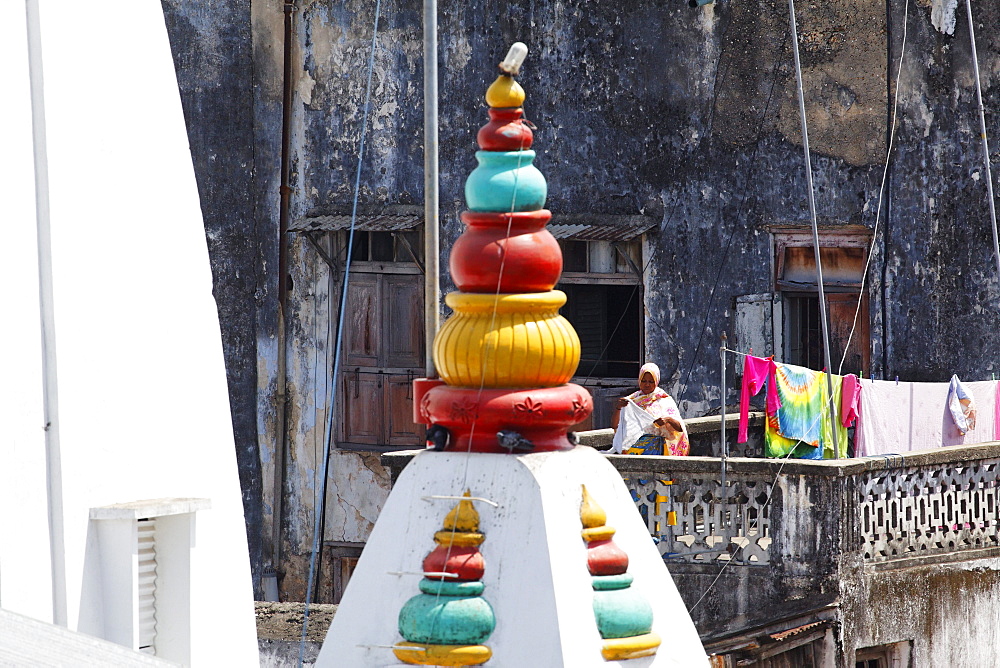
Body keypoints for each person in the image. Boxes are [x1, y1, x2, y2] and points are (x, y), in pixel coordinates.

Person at [611, 363, 689, 456]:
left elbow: (680, 428)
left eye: (651, 382)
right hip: (635, 450)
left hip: (658, 450)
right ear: (639, 380)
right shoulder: (632, 400)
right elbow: (615, 425)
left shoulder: (664, 400)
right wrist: (618, 407)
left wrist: (667, 420)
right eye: (644, 381)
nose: (647, 384)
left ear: (656, 381)